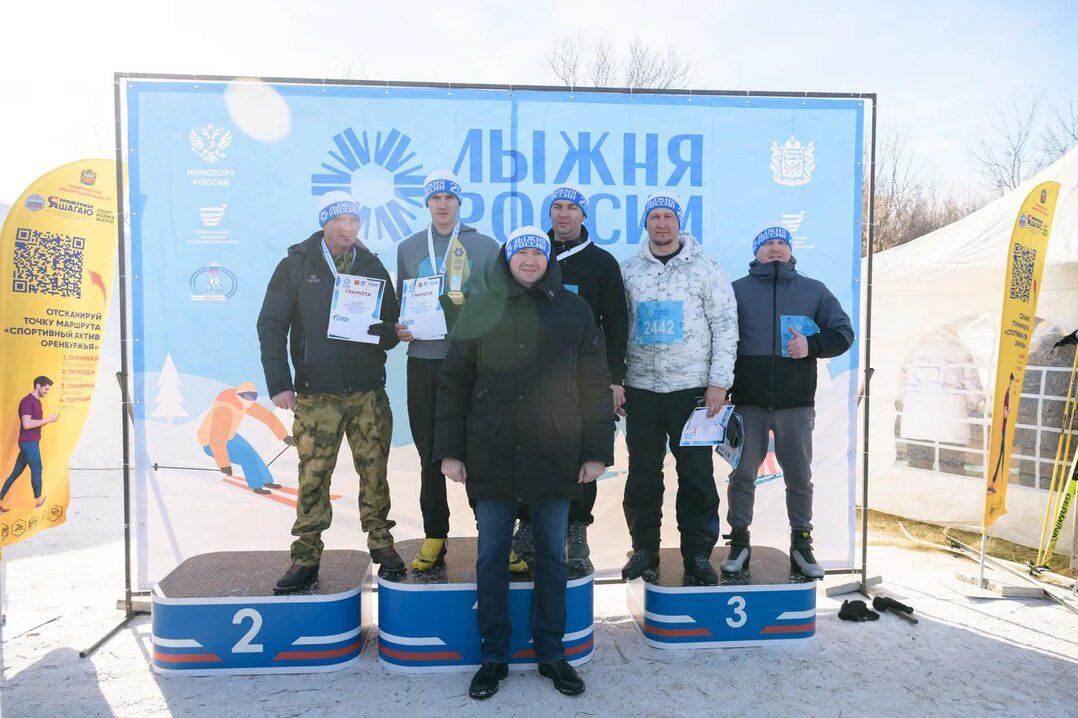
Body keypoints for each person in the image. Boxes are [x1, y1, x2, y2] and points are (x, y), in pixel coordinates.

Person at [433, 226, 614, 699]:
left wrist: (596, 452)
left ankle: (552, 654)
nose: (530, 259)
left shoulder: (574, 309)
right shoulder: (479, 307)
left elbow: (596, 384)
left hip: (556, 452)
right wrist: (449, 450)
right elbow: (454, 381)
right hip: (490, 452)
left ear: (548, 259)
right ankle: (494, 656)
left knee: (552, 557)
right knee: (492, 556)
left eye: (538, 251)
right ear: (507, 260)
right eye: (521, 252)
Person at [257, 191, 405, 594]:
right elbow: (271, 324)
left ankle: (381, 543)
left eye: (353, 221)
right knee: (313, 477)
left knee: (375, 472)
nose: (346, 228)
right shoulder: (296, 264)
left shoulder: (373, 265)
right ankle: (305, 555)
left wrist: (389, 333)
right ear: (325, 223)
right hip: (316, 394)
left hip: (367, 393)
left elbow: (390, 328)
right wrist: (280, 384)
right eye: (338, 221)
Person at [619, 192, 738, 586]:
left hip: (693, 392)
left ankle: (699, 554)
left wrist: (719, 382)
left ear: (679, 222)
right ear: (646, 223)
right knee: (642, 474)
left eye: (669, 216)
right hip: (642, 390)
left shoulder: (705, 269)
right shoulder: (629, 271)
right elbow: (615, 328)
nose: (662, 224)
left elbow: (725, 326)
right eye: (654, 217)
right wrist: (617, 382)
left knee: (696, 475)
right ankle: (644, 550)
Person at [721, 226, 854, 579]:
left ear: (791, 250)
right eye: (768, 244)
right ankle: (738, 541)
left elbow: (843, 334)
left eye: (782, 243)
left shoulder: (813, 291)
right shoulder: (737, 291)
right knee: (743, 474)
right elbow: (718, 339)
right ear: (757, 252)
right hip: (747, 403)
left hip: (795, 403)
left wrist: (810, 346)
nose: (776, 249)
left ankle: (801, 543)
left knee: (799, 476)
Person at [514, 184, 628, 573]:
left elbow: (616, 324)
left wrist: (616, 379)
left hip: (585, 377)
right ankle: (527, 525)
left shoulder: (602, 262)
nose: (563, 214)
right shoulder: (532, 255)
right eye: (556, 207)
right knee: (531, 449)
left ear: (584, 216)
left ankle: (577, 529)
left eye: (571, 208)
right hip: (534, 379)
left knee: (584, 453)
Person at [394, 169, 501, 572]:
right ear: (427, 204)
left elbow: (499, 303)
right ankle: (435, 532)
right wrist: (399, 327)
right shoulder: (408, 248)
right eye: (435, 198)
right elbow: (403, 304)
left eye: (449, 199)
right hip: (423, 361)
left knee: (480, 450)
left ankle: (491, 533)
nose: (442, 205)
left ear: (460, 203)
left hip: (472, 362)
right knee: (429, 452)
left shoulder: (484, 246)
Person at [196, 381, 296, 494]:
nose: (250, 400)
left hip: (229, 435)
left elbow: (267, 417)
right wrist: (224, 464)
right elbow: (217, 439)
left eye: (253, 396)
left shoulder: (245, 402)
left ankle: (266, 481)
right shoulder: (224, 409)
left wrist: (284, 436)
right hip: (210, 441)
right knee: (247, 457)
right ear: (239, 395)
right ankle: (256, 485)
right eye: (248, 396)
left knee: (252, 452)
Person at [0, 376, 58, 513]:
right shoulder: (27, 402)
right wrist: (48, 420)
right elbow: (26, 424)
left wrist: (47, 420)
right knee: (37, 469)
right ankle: (38, 501)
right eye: (45, 389)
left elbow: (33, 423)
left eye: (48, 390)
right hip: (28, 443)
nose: (46, 392)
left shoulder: (38, 402)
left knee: (15, 474)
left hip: (30, 442)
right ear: (38, 386)